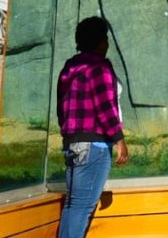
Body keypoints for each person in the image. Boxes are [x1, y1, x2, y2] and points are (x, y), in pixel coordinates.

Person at [56, 16, 130, 238]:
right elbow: (105, 106)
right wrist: (120, 140)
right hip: (94, 146)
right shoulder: (99, 67)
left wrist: (69, 135)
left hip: (72, 143)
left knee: (73, 205)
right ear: (98, 42)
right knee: (82, 208)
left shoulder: (69, 67)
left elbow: (61, 109)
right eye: (105, 39)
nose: (107, 44)